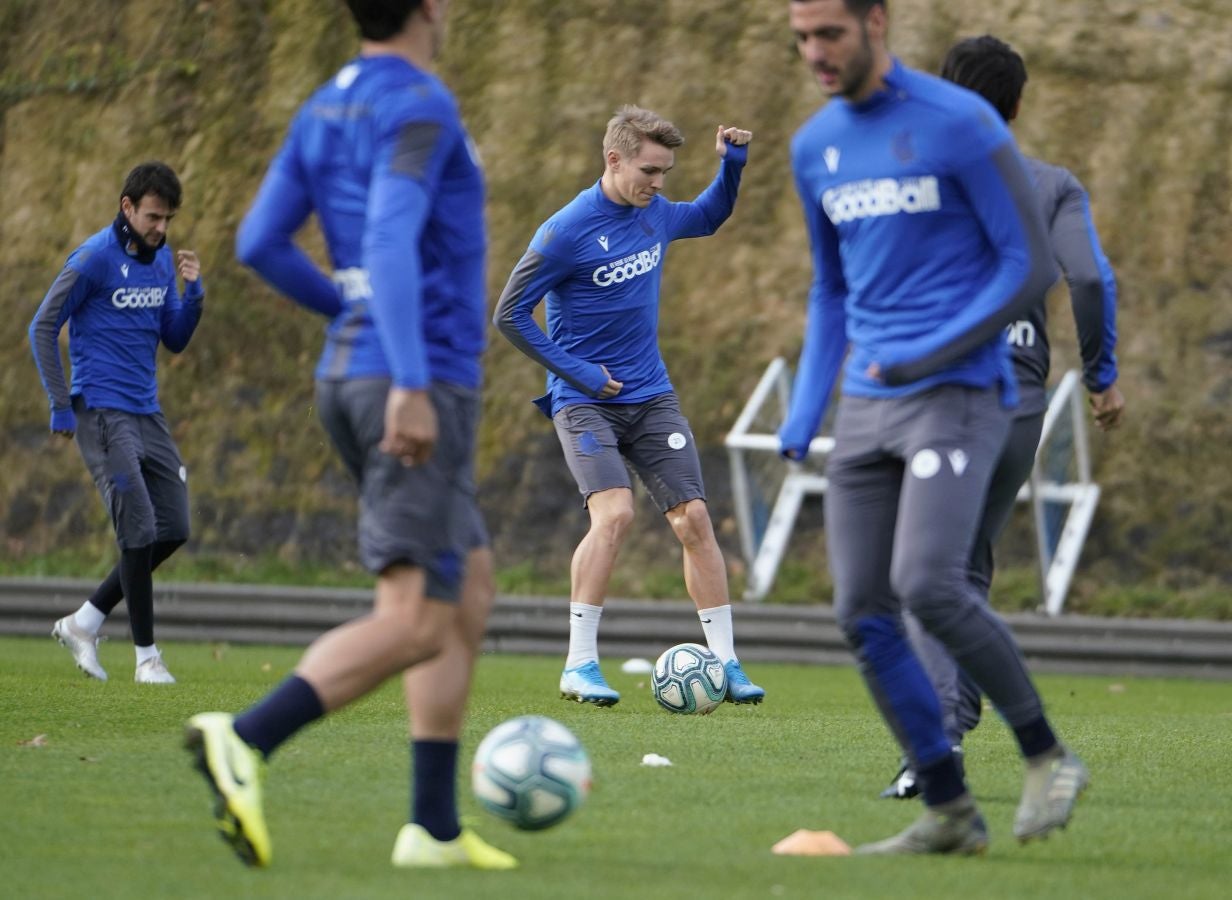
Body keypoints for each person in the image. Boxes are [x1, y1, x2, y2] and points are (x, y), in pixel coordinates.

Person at [184, 0, 515, 871]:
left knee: (468, 584)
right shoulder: (420, 103)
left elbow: (259, 241)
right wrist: (407, 374)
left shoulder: (323, 105)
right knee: (413, 619)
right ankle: (246, 739)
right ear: (431, 8)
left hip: (350, 371)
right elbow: (391, 234)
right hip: (415, 381)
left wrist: (348, 310)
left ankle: (432, 830)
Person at [780, 0, 1088, 854]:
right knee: (859, 610)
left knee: (929, 582)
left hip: (959, 390)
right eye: (801, 38)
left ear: (876, 22)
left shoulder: (960, 123)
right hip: (869, 402)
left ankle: (1047, 755)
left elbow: (1027, 267)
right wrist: (806, 408)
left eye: (829, 34)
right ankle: (950, 808)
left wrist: (933, 350)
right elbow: (830, 291)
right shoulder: (815, 147)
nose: (815, 54)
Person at [881, 33, 1125, 801]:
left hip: (938, 399)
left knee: (921, 574)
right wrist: (1102, 376)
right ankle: (962, 727)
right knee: (959, 567)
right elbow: (1087, 277)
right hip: (1021, 400)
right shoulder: (1051, 183)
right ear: (1018, 105)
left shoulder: (909, 175)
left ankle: (942, 743)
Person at [493, 105, 765, 708]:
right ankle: (579, 664)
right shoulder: (564, 231)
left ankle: (727, 663)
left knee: (693, 519)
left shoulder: (656, 214)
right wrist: (580, 372)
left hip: (652, 397)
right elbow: (509, 315)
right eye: (649, 170)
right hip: (583, 402)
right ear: (613, 159)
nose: (659, 184)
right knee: (613, 516)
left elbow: (710, 216)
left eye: (666, 172)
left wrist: (733, 167)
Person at [29, 161, 203, 686]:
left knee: (173, 528)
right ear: (127, 207)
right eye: (153, 216)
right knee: (139, 527)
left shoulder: (162, 259)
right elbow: (43, 326)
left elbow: (173, 337)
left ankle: (84, 621)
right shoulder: (93, 259)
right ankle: (147, 657)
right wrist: (61, 403)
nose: (161, 228)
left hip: (147, 413)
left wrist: (192, 295)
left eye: (168, 218)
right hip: (100, 414)